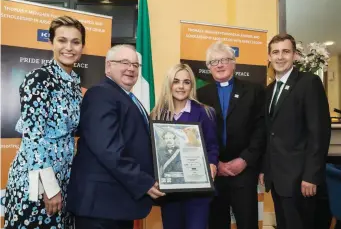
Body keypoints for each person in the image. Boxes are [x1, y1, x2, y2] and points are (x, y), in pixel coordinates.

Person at [66, 44, 165, 229]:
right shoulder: (101, 94)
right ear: (108, 66)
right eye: (124, 62)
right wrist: (143, 182)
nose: (131, 68)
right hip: (101, 206)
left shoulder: (127, 97)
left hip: (117, 203)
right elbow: (108, 149)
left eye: (135, 65)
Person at [4, 16, 85, 228]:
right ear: (52, 43)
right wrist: (50, 187)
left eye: (75, 42)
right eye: (62, 40)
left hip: (63, 177)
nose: (69, 47)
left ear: (82, 47)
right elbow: (33, 137)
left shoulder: (74, 83)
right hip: (37, 181)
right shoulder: (39, 79)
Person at [259, 34, 331, 229]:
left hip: (301, 180)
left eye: (285, 51)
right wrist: (266, 168)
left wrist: (311, 175)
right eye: (275, 52)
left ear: (295, 56)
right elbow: (270, 133)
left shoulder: (309, 83)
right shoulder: (269, 90)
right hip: (278, 180)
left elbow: (319, 133)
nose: (280, 57)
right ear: (269, 57)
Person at [197, 41, 266, 229]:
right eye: (213, 62)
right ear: (209, 68)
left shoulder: (254, 91)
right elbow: (196, 134)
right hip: (214, 172)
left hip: (244, 170)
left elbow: (261, 129)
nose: (219, 65)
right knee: (216, 223)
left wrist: (244, 160)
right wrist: (214, 163)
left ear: (234, 63)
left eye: (224, 60)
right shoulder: (200, 95)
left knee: (247, 223)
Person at [150, 63, 219, 229]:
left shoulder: (205, 112)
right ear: (169, 84)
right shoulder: (157, 114)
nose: (181, 86)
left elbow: (212, 146)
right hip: (170, 193)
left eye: (186, 82)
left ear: (192, 86)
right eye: (176, 81)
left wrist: (212, 164)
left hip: (197, 193)